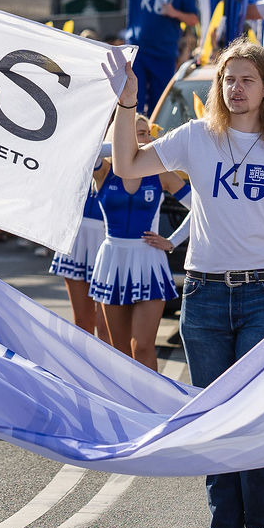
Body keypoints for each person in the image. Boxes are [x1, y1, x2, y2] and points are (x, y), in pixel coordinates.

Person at [108, 38, 264, 528]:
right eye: (228, 79)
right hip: (203, 295)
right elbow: (127, 166)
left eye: (247, 79)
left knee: (255, 420)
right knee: (213, 420)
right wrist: (127, 102)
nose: (235, 88)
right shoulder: (196, 137)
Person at [89, 111, 186, 370]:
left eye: (147, 134)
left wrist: (173, 241)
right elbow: (89, 149)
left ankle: (151, 397)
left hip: (149, 262)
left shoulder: (162, 174)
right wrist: (122, 146)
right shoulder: (105, 171)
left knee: (142, 347)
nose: (146, 139)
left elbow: (200, 207)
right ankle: (124, 398)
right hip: (113, 262)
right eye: (139, 134)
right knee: (119, 352)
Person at [77, 0, 200, 115]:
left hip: (164, 56)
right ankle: (132, 131)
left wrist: (174, 13)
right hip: (137, 54)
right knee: (132, 102)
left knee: (159, 106)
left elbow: (193, 19)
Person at [49, 172, 108, 341]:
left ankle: (107, 360)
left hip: (109, 239)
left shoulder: (118, 162)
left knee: (105, 328)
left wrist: (171, 241)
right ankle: (86, 360)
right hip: (77, 237)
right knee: (82, 324)